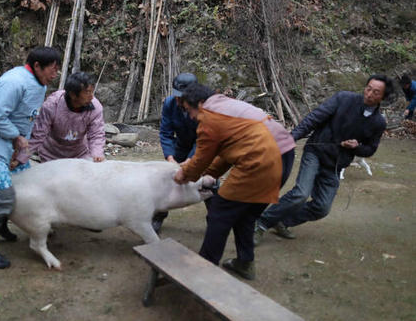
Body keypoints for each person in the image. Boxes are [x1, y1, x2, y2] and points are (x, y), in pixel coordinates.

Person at [254, 74, 394, 245]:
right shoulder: (344, 99)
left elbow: (370, 149)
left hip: (336, 164)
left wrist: (356, 146)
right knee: (301, 194)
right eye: (368, 88)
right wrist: (292, 138)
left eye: (376, 92)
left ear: (383, 97)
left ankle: (283, 221)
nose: (370, 94)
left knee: (322, 208)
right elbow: (314, 118)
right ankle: (261, 223)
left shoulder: (378, 122)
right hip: (316, 151)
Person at [173, 83, 282, 280]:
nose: (190, 117)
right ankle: (245, 263)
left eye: (189, 111)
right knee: (245, 217)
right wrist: (210, 173)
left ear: (200, 103)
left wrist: (185, 174)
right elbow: (228, 152)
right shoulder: (226, 106)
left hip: (258, 162)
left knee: (218, 214)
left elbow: (201, 159)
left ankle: (204, 269)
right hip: (279, 160)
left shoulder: (209, 117)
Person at [0, 46, 61, 269]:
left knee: (22, 187)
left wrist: (21, 146)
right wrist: (16, 137)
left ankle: (2, 227)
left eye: (57, 69)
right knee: (3, 195)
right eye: (52, 68)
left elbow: (26, 118)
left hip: (13, 142)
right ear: (37, 66)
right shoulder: (14, 82)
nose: (55, 73)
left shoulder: (39, 84)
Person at [152, 72, 199, 232]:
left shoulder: (204, 106)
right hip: (180, 145)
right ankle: (158, 216)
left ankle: (215, 218)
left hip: (202, 147)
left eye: (182, 97)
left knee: (207, 182)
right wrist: (170, 157)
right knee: (167, 179)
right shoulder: (170, 104)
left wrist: (192, 159)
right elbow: (165, 133)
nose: (178, 100)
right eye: (177, 96)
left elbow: (204, 138)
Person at [26, 72, 106, 162]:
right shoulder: (52, 104)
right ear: (73, 94)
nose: (91, 97)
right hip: (51, 154)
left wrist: (97, 153)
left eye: (92, 91)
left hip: (80, 154)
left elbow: (96, 134)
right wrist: (22, 157)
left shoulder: (95, 107)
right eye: (87, 92)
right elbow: (38, 133)